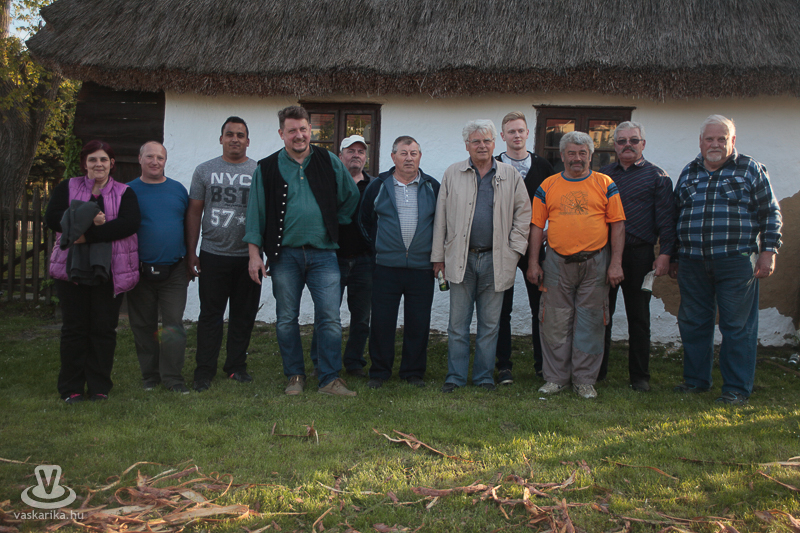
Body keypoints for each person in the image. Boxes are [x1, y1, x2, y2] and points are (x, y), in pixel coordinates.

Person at [244, 105, 360, 396]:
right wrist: (254, 254)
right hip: (284, 256)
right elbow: (256, 213)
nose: (299, 135)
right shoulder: (266, 167)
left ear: (311, 130)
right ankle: (295, 376)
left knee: (330, 319)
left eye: (303, 129)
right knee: (286, 319)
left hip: (324, 254)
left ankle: (329, 378)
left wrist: (334, 221)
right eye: (292, 130)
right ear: (281, 133)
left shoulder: (328, 160)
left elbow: (350, 195)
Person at [670, 115, 782, 405]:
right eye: (710, 139)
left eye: (722, 139)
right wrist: (674, 256)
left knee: (737, 326)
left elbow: (770, 212)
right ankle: (696, 381)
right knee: (693, 323)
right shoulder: (689, 171)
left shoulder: (750, 169)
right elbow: (676, 215)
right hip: (692, 261)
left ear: (732, 141)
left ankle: (735, 388)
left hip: (736, 261)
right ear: (700, 142)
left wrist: (769, 251)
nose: (715, 144)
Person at [432, 120, 531, 393]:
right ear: (467, 146)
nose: (482, 146)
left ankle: (484, 377)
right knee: (457, 325)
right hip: (460, 259)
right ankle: (455, 376)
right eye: (476, 141)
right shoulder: (453, 173)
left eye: (487, 141)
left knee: (490, 325)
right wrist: (438, 257)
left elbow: (524, 215)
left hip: (495, 260)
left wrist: (514, 251)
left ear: (494, 143)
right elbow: (440, 218)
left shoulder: (510, 175)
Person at [527, 131, 625, 399]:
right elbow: (536, 226)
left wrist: (616, 263)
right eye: (571, 153)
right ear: (562, 156)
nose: (577, 158)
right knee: (554, 321)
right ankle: (556, 379)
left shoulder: (605, 184)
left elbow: (617, 225)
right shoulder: (548, 186)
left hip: (595, 263)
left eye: (583, 153)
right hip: (557, 262)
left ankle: (584, 380)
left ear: (591, 156)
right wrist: (534, 262)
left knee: (591, 322)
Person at [45, 140, 140, 403]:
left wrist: (85, 234)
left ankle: (99, 386)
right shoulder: (67, 187)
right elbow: (53, 218)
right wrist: (90, 217)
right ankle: (71, 387)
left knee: (103, 329)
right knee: (74, 329)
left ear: (112, 163)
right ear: (84, 164)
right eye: (92, 159)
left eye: (103, 159)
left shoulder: (125, 192)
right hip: (71, 269)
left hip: (109, 270)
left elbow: (128, 224)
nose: (98, 164)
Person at [598, 122, 676, 392]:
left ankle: (640, 376)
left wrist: (665, 253)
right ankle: (597, 371)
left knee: (639, 317)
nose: (627, 145)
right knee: (602, 315)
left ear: (643, 144)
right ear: (614, 145)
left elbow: (667, 220)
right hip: (605, 254)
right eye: (621, 141)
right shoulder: (603, 176)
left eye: (633, 140)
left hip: (640, 255)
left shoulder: (658, 177)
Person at [186, 117, 261, 392]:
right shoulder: (204, 170)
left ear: (248, 141)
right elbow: (194, 212)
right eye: (229, 134)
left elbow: (265, 214)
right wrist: (191, 252)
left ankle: (236, 366)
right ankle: (204, 371)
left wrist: (260, 254)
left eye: (240, 135)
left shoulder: (259, 171)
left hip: (247, 257)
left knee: (243, 315)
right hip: (213, 254)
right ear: (221, 139)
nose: (235, 139)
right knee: (210, 315)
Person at [360, 136, 440, 389]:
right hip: (386, 267)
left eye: (413, 153)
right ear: (393, 157)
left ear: (420, 157)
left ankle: (413, 372)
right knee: (382, 322)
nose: (409, 158)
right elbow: (364, 220)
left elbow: (441, 224)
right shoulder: (379, 186)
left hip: (422, 267)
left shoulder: (432, 186)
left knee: (418, 322)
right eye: (403, 153)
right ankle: (379, 372)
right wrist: (377, 249)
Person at [495, 111, 555, 384]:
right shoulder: (494, 165)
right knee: (501, 309)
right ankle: (503, 366)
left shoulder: (543, 166)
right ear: (503, 136)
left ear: (528, 133)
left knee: (540, 308)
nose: (516, 135)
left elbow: (557, 204)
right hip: (503, 247)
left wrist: (549, 232)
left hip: (535, 247)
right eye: (511, 131)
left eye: (520, 130)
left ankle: (543, 366)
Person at [127, 141, 191, 394]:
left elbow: (188, 225)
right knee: (143, 325)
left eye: (160, 157)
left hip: (174, 270)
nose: (155, 161)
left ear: (165, 161)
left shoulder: (178, 190)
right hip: (139, 271)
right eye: (150, 156)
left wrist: (191, 257)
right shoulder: (128, 191)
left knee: (173, 325)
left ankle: (173, 378)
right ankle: (150, 376)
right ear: (139, 159)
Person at [310, 135, 374, 377]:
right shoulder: (329, 183)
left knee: (362, 317)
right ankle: (321, 362)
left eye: (361, 151)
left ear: (366, 157)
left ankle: (354, 362)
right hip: (331, 258)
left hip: (365, 260)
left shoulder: (374, 186)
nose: (356, 155)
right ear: (340, 156)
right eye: (350, 150)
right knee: (326, 314)